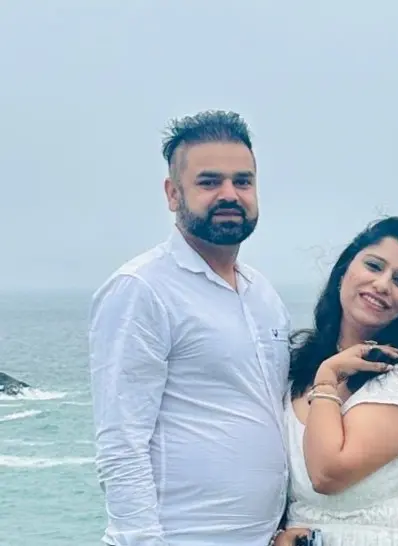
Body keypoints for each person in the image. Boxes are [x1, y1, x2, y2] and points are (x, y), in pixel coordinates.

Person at [88, 110, 291, 546]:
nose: (229, 194)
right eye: (209, 182)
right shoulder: (142, 288)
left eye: (243, 181)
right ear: (172, 193)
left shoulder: (264, 295)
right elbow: (121, 442)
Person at [275, 216, 398, 546]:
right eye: (374, 266)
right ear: (344, 271)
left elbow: (328, 474)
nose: (382, 284)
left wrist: (327, 380)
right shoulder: (295, 370)